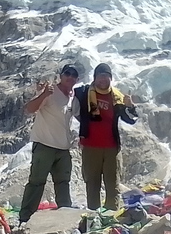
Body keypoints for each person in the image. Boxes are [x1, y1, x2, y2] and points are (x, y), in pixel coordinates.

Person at [18, 64, 80, 224]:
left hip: (63, 149)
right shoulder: (50, 91)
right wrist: (43, 94)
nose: (70, 77)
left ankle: (65, 215)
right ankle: (25, 218)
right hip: (44, 145)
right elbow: (29, 109)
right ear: (61, 75)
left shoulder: (73, 98)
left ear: (77, 79)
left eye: (74, 75)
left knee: (63, 183)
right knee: (37, 182)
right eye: (67, 73)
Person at [75, 63, 138, 211]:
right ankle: (93, 217)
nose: (103, 80)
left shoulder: (117, 97)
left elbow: (130, 119)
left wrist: (131, 106)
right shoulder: (84, 93)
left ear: (111, 79)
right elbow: (75, 111)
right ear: (94, 78)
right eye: (100, 76)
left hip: (111, 148)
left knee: (112, 185)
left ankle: (111, 217)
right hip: (91, 147)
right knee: (92, 185)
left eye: (106, 76)